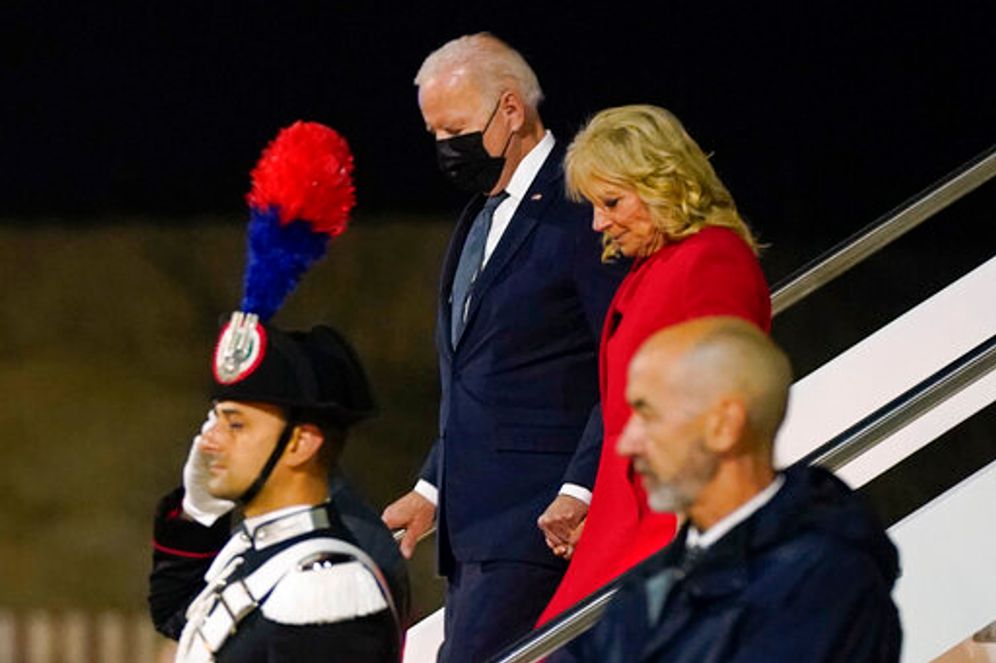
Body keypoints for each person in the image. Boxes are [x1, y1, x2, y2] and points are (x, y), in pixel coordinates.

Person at [380, 33, 627, 661]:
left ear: (511, 110)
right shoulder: (479, 216)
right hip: (471, 534)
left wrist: (580, 488)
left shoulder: (580, 207)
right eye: (434, 134)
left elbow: (620, 357)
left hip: (540, 522)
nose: (445, 149)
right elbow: (478, 377)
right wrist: (431, 490)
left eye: (455, 128)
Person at [538, 105, 771, 624]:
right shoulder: (658, 266)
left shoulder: (712, 261)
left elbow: (726, 415)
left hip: (664, 534)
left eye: (612, 202)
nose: (599, 222)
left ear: (662, 180)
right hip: (622, 527)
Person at [559, 317, 902, 661]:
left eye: (649, 415)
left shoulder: (829, 581)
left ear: (724, 426)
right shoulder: (658, 577)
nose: (627, 444)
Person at [149, 315, 401, 662]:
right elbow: (175, 613)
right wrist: (199, 508)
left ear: (301, 444)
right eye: (215, 419)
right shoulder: (263, 549)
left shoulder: (325, 593)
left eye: (235, 424)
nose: (209, 440)